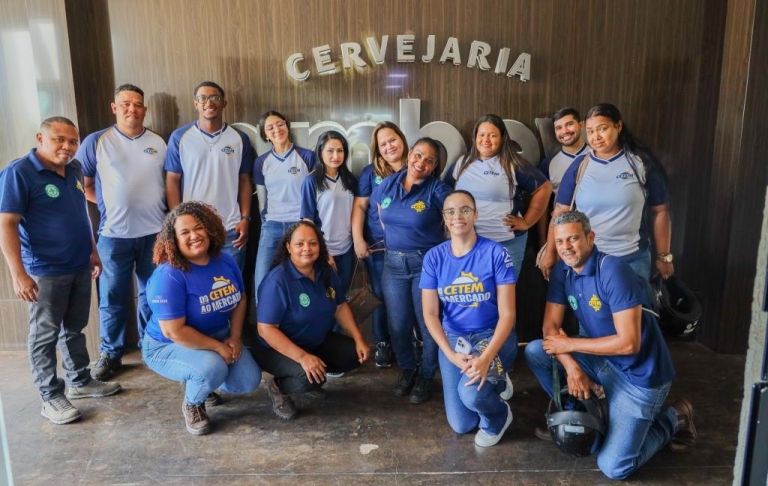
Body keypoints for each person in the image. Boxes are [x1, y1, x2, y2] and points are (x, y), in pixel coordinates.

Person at [524, 210, 696, 480]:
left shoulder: (613, 270)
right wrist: (572, 367)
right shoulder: (562, 271)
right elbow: (549, 329)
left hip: (640, 378)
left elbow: (629, 344)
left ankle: (675, 417)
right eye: (560, 242)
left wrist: (568, 344)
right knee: (537, 351)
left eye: (573, 239)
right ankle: (578, 411)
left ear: (590, 238)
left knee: (614, 467)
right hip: (603, 362)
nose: (566, 248)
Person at [0, 117, 122, 425]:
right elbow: (7, 225)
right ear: (40, 137)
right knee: (44, 336)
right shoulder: (19, 173)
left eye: (72, 141)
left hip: (79, 264)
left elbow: (82, 212)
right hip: (44, 270)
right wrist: (18, 274)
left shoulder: (75, 169)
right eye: (59, 140)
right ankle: (50, 396)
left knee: (74, 329)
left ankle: (79, 381)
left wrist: (92, 251)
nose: (67, 147)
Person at [142, 201, 262, 435]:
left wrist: (235, 337)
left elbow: (240, 299)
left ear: (209, 229)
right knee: (211, 368)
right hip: (167, 346)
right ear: (173, 240)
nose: (194, 236)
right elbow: (174, 332)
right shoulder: (168, 276)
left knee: (248, 380)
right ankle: (193, 403)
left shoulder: (225, 260)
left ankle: (199, 376)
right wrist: (218, 348)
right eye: (184, 232)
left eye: (198, 228)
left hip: (216, 335)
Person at [77, 83, 167, 381]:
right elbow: (83, 184)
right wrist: (106, 204)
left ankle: (150, 346)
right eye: (125, 103)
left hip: (155, 233)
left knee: (151, 294)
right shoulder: (96, 141)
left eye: (138, 104)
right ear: (114, 107)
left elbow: (168, 182)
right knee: (112, 297)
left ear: (144, 109)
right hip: (113, 236)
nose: (132, 109)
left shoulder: (158, 142)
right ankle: (110, 354)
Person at [421, 190, 517, 447]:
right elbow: (430, 315)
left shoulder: (495, 253)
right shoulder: (434, 257)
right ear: (444, 218)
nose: (458, 216)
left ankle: (499, 415)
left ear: (475, 214)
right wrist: (451, 355)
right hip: (455, 339)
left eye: (464, 210)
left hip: (491, 334)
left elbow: (508, 314)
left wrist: (486, 358)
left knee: (472, 396)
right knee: (462, 424)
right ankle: (495, 382)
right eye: (450, 211)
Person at [539, 103, 673, 282]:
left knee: (633, 309)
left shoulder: (641, 163)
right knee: (592, 310)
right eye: (591, 131)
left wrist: (664, 257)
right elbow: (560, 213)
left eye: (602, 129)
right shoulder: (579, 166)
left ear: (618, 126)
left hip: (632, 259)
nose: (596, 137)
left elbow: (660, 211)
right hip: (587, 258)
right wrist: (550, 252)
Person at [254, 221, 369, 419]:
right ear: (288, 247)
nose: (306, 249)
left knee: (352, 354)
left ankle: (310, 374)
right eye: (299, 244)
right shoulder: (278, 281)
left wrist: (359, 338)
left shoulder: (325, 271)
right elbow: (266, 330)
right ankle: (279, 387)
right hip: (276, 349)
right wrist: (302, 358)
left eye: (313, 243)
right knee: (307, 379)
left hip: (312, 341)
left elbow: (340, 307)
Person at [370, 137, 452, 404]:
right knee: (398, 325)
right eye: (418, 156)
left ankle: (426, 375)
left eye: (429, 160)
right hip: (392, 264)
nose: (421, 163)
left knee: (428, 324)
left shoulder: (438, 190)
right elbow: (381, 214)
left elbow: (454, 221)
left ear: (435, 166)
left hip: (425, 265)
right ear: (409, 156)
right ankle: (408, 370)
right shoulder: (388, 184)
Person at [165, 81, 254, 271]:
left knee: (231, 287)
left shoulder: (240, 139)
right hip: (193, 229)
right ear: (195, 103)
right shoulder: (180, 137)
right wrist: (177, 221)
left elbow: (244, 180)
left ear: (224, 103)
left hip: (231, 228)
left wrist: (245, 219)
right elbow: (172, 180)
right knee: (197, 289)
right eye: (203, 98)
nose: (209, 103)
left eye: (215, 98)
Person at [452, 114, 552, 272]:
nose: (486, 140)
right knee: (474, 291)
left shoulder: (512, 164)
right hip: (468, 242)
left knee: (504, 294)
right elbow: (447, 196)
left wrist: (527, 221)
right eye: (482, 135)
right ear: (475, 137)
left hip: (506, 242)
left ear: (502, 138)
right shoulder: (462, 163)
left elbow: (544, 188)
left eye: (492, 135)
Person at [351, 121, 408, 368]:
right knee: (381, 295)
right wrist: (358, 239)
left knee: (411, 297)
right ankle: (382, 342)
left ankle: (410, 342)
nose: (389, 146)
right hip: (378, 247)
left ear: (402, 139)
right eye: (383, 144)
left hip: (412, 247)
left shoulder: (417, 166)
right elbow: (360, 207)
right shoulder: (370, 173)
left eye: (392, 140)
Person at [252, 110, 315, 305]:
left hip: (299, 225)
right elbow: (262, 200)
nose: (276, 130)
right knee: (262, 279)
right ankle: (265, 328)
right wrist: (267, 221)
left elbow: (314, 195)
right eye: (270, 127)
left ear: (287, 126)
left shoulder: (306, 156)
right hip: (272, 225)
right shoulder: (261, 162)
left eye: (280, 124)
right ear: (265, 134)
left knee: (302, 278)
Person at [300, 130, 358, 294]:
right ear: (320, 152)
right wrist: (323, 252)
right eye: (330, 151)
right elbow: (307, 221)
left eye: (340, 150)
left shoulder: (350, 179)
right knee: (324, 295)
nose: (336, 155)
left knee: (342, 293)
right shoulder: (311, 181)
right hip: (323, 249)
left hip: (346, 249)